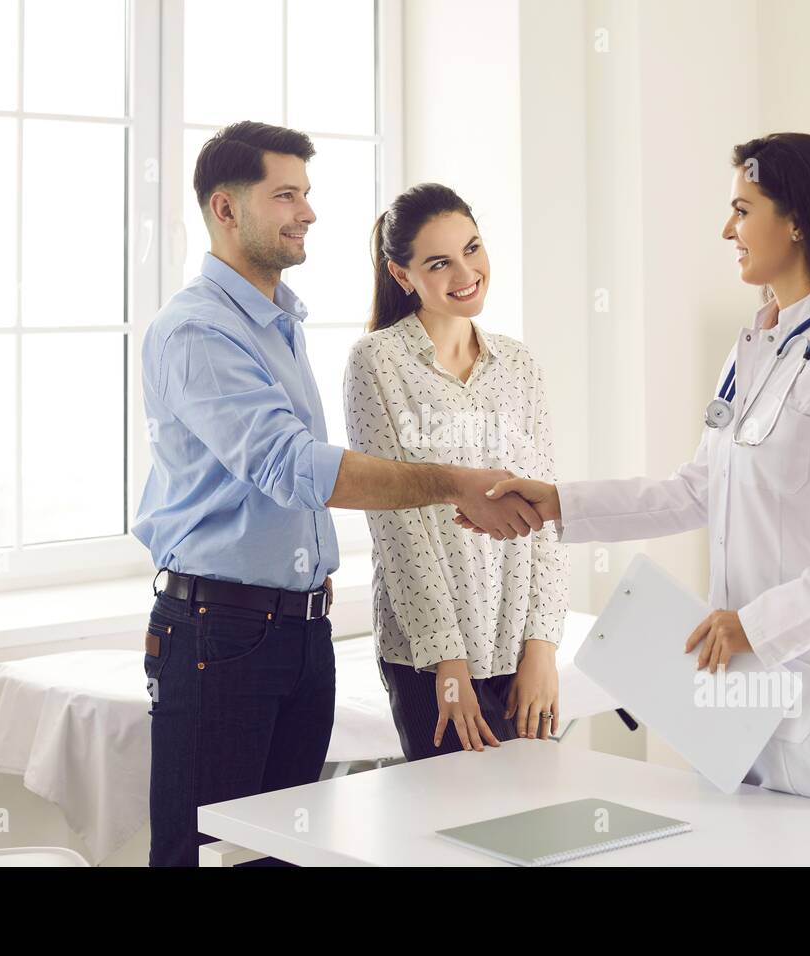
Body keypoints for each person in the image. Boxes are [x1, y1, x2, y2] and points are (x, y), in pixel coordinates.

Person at [459, 133, 810, 814]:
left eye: (742, 209)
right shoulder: (754, 349)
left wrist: (759, 625)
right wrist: (558, 503)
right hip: (737, 688)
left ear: (796, 219)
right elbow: (695, 490)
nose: (727, 229)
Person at [132, 122, 542, 866]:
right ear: (225, 211)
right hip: (218, 633)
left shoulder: (279, 325)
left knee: (286, 854)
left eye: (308, 193)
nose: (309, 212)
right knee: (202, 853)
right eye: (286, 194)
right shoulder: (197, 331)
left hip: (300, 631)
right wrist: (456, 483)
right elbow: (292, 467)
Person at [344, 184, 570, 760]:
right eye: (439, 263)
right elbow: (396, 526)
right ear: (403, 275)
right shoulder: (377, 362)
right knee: (452, 836)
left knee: (527, 834)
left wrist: (543, 644)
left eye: (472, 249)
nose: (466, 272)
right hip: (430, 654)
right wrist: (449, 661)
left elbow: (548, 510)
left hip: (518, 644)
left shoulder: (518, 364)